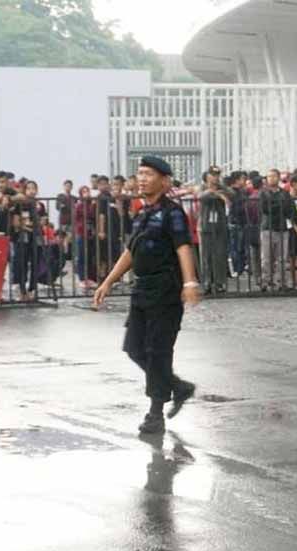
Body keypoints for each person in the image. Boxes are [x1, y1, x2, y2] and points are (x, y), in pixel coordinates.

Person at [93, 156, 201, 435]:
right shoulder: (141, 213)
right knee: (133, 347)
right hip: (141, 289)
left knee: (158, 351)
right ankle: (177, 387)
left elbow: (183, 247)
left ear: (164, 181)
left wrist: (189, 282)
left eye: (148, 174)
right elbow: (130, 252)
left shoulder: (173, 213)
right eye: (139, 173)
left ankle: (156, 414)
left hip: (165, 289)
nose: (141, 178)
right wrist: (107, 282)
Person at [259, 168, 295, 291]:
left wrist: (276, 206)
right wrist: (279, 205)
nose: (271, 178)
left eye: (273, 176)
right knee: (267, 258)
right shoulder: (263, 193)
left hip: (282, 227)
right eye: (269, 176)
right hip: (267, 227)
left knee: (282, 258)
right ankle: (266, 282)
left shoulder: (284, 193)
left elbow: (289, 209)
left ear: (278, 177)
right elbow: (265, 208)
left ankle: (282, 282)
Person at [197, 166, 229, 294]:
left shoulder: (222, 186)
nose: (215, 177)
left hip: (220, 226)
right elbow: (201, 196)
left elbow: (231, 194)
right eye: (212, 175)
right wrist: (216, 194)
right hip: (206, 226)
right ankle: (207, 282)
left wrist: (220, 189)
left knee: (220, 255)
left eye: (217, 175)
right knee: (206, 256)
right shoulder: (203, 187)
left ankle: (219, 282)